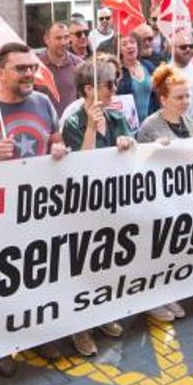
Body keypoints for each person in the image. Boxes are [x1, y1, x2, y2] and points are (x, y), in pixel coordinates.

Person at [0, 40, 69, 373]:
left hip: (39, 209)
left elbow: (56, 139)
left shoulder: (43, 102)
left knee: (36, 276)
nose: (29, 74)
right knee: (1, 282)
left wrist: (59, 150)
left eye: (32, 67)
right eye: (21, 68)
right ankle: (0, 347)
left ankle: (39, 336)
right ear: (0, 71)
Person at [60, 59, 135, 357]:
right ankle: (80, 328)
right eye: (109, 84)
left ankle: (102, 316)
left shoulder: (115, 117)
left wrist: (128, 142)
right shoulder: (74, 122)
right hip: (83, 209)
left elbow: (133, 145)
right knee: (82, 268)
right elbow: (81, 164)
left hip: (112, 205)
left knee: (107, 264)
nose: (115, 89)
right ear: (89, 89)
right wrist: (91, 127)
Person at [135, 63, 193, 321]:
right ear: (163, 99)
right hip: (157, 200)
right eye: (178, 97)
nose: (184, 102)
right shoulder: (150, 127)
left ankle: (168, 293)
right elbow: (137, 164)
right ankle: (152, 299)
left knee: (173, 249)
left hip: (182, 198)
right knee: (156, 250)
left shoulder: (190, 121)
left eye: (187, 96)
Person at [37, 21, 82, 114]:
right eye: (58, 38)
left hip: (70, 125)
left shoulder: (79, 65)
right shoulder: (35, 66)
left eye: (66, 37)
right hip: (44, 125)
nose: (63, 42)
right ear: (46, 40)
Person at [117, 26, 157, 118]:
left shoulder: (148, 66)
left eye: (132, 42)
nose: (129, 46)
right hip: (127, 125)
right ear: (119, 50)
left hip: (149, 123)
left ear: (137, 45)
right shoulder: (116, 71)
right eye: (124, 44)